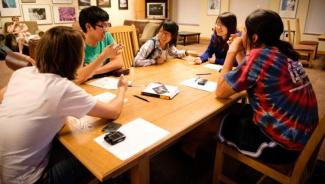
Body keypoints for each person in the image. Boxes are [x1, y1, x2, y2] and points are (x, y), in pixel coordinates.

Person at [0, 26, 128, 183]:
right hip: (33, 179)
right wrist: (122, 88)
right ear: (74, 57)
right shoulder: (63, 88)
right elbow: (113, 111)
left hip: (6, 172)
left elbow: (3, 97)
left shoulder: (21, 74)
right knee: (101, 150)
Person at [216, 9, 318, 163]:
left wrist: (232, 51)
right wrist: (241, 50)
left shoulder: (260, 57)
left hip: (281, 146)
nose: (241, 34)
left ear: (254, 37)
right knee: (238, 110)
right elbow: (247, 76)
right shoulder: (283, 52)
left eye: (244, 30)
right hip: (301, 136)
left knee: (219, 121)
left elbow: (221, 90)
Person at [75, 6, 123, 84]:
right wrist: (104, 55)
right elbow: (78, 77)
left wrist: (92, 71)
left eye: (107, 25)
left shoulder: (107, 36)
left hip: (103, 82)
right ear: (88, 26)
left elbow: (118, 62)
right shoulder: (77, 43)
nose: (106, 29)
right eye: (102, 26)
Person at [134, 20, 198, 67]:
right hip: (145, 74)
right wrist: (154, 61)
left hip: (157, 72)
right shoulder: (151, 44)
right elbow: (136, 62)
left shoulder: (168, 44)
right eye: (161, 32)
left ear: (172, 36)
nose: (162, 35)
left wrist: (187, 52)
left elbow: (175, 53)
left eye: (166, 33)